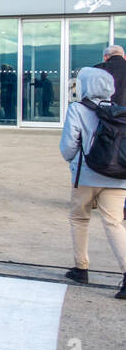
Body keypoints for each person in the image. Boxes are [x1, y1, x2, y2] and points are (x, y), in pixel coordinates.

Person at [60, 66, 126, 299]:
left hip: (86, 175)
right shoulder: (119, 112)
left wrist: (73, 160)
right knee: (114, 224)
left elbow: (68, 146)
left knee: (79, 219)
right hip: (118, 177)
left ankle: (81, 267)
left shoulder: (77, 109)